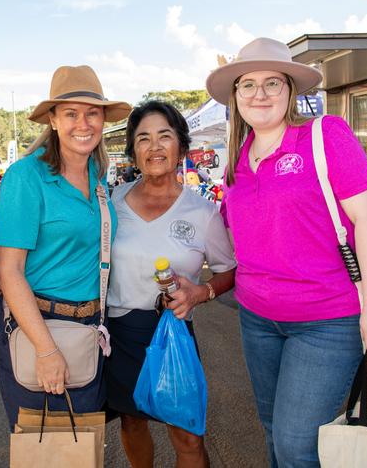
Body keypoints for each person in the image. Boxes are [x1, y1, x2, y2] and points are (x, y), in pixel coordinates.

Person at [205, 37, 367, 467]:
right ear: (235, 97)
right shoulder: (236, 161)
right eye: (247, 84)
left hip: (327, 321)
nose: (260, 93)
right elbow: (234, 236)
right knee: (273, 429)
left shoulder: (325, 136)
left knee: (297, 444)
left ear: (290, 90)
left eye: (273, 82)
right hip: (257, 319)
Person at [0, 65, 131, 427]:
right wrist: (46, 349)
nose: (83, 123)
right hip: (41, 329)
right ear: (53, 120)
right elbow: (9, 272)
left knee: (82, 447)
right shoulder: (26, 177)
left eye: (92, 113)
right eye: (70, 114)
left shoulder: (96, 177)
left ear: (103, 120)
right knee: (45, 451)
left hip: (89, 331)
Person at [105, 101, 236, 468]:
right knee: (132, 421)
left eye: (165, 136)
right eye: (143, 138)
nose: (155, 146)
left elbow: (228, 270)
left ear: (181, 145)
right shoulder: (112, 203)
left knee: (188, 435)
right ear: (133, 150)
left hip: (174, 331)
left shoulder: (203, 212)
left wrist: (202, 292)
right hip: (121, 330)